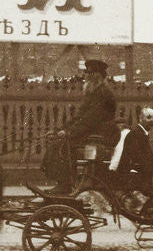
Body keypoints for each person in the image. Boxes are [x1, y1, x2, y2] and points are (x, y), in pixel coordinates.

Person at [41, 59, 121, 193]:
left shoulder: (103, 94)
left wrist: (68, 133)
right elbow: (79, 117)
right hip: (93, 131)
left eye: (88, 74)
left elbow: (91, 120)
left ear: (97, 76)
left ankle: (65, 184)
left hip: (102, 134)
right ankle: (64, 183)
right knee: (57, 141)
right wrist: (59, 130)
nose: (85, 77)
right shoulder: (94, 93)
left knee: (63, 144)